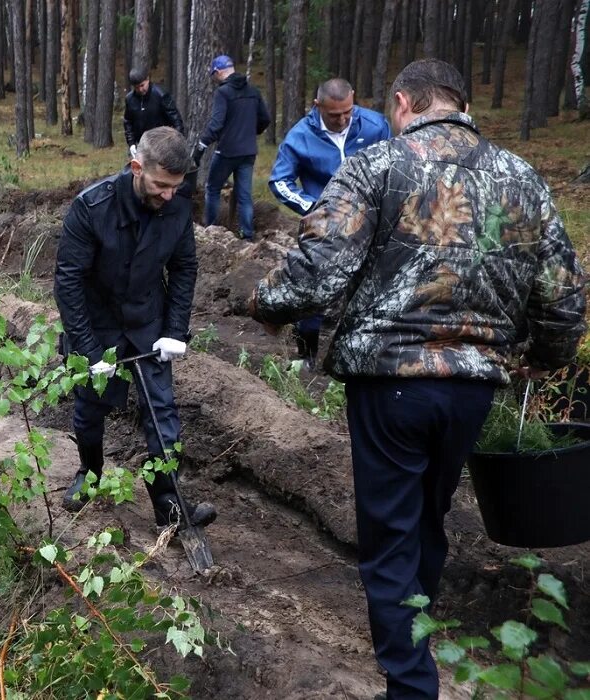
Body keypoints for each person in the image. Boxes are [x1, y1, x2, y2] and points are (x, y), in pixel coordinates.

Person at [249, 59, 586, 699]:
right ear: (459, 102)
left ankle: (409, 687)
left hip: (390, 381)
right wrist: (546, 355)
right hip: (473, 387)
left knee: (391, 535)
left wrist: (265, 305)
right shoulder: (523, 178)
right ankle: (418, 662)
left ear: (403, 102)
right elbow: (565, 296)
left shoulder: (379, 165)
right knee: (428, 520)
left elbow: (319, 268)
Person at [54, 126, 217, 530]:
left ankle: (169, 504)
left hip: (149, 324)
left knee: (163, 416)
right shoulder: (92, 208)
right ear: (136, 167)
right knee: (91, 409)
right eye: (160, 185)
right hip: (98, 324)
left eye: (175, 187)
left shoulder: (177, 207)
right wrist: (90, 352)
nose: (167, 195)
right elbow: (68, 282)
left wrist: (176, 331)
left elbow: (183, 267)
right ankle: (88, 474)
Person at [268, 78, 392, 365]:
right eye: (334, 115)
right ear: (317, 106)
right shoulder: (300, 136)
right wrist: (312, 207)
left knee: (370, 284)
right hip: (324, 227)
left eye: (348, 111)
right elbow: (279, 181)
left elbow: (393, 165)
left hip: (370, 222)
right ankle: (305, 354)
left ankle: (364, 354)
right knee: (313, 283)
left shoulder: (375, 126)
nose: (343, 119)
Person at [193, 54, 271, 240]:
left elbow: (216, 124)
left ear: (219, 72)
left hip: (227, 151)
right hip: (248, 151)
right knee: (244, 195)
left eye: (214, 75)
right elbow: (265, 119)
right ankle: (247, 234)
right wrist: (253, 132)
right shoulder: (253, 91)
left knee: (212, 188)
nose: (214, 79)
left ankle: (209, 230)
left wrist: (201, 145)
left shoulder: (223, 92)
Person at [123, 67, 184, 161]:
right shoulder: (130, 99)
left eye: (142, 85)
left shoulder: (161, 95)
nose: (140, 89)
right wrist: (131, 143)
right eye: (136, 87)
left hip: (161, 144)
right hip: (141, 144)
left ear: (147, 79)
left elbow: (176, 120)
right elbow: (128, 122)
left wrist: (177, 142)